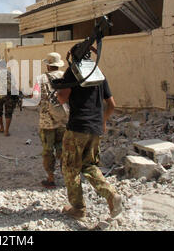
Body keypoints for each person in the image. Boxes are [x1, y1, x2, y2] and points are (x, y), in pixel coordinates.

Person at [56, 57, 122, 220]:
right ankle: (111, 195)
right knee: (89, 165)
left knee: (70, 168)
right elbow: (112, 104)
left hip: (77, 128)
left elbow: (62, 98)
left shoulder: (72, 72)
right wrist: (103, 121)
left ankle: (78, 208)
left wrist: (60, 88)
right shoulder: (98, 73)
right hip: (95, 128)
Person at [32, 53, 69, 189]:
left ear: (48, 65)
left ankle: (51, 178)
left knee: (48, 150)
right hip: (64, 119)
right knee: (62, 148)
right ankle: (67, 176)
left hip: (47, 122)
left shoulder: (41, 78)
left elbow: (35, 98)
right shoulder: (66, 77)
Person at [0, 60, 18, 137]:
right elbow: (14, 86)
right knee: (8, 113)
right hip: (9, 96)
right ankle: (6, 131)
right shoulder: (10, 74)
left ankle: (2, 127)